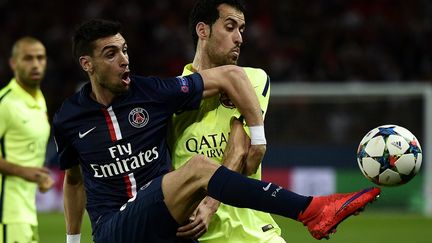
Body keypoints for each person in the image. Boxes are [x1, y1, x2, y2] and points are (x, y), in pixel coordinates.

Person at [54, 19, 380, 243]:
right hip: (115, 230)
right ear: (87, 64)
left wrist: (259, 137)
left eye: (125, 50)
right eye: (111, 54)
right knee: (197, 167)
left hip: (166, 227)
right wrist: (72, 240)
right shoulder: (69, 118)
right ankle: (311, 210)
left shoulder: (152, 92)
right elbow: (73, 180)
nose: (124, 60)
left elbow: (233, 77)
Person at [168, 0, 285, 242]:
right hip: (199, 235)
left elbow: (241, 148)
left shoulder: (253, 79)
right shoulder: (170, 96)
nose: (239, 39)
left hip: (256, 235)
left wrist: (210, 205)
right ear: (203, 30)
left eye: (241, 30)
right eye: (230, 27)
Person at [0, 37, 55, 243]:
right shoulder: (5, 103)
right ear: (13, 63)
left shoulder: (39, 99)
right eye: (28, 58)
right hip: (6, 213)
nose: (35, 64)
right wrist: (24, 172)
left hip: (27, 210)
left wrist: (40, 177)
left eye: (40, 58)